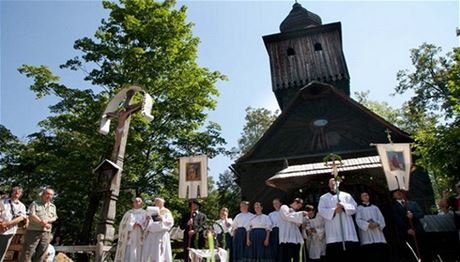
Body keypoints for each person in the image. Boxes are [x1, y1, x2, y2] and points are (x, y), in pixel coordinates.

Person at [318, 178, 359, 262]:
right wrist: (334, 210)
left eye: (335, 182)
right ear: (328, 185)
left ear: (339, 184)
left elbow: (354, 207)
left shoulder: (346, 195)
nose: (333, 184)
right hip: (333, 231)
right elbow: (321, 210)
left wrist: (344, 206)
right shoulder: (324, 197)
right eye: (331, 183)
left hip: (347, 231)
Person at [20, 187, 58, 262]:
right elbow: (32, 215)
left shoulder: (53, 206)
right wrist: (42, 222)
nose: (49, 196)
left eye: (51, 195)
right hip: (33, 231)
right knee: (28, 252)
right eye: (47, 194)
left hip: (46, 233)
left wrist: (47, 220)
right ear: (43, 194)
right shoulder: (35, 203)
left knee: (41, 253)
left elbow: (55, 217)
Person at [391, 189, 426, 262]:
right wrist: (407, 230)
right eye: (396, 192)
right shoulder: (394, 207)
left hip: (418, 231)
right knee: (411, 254)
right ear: (393, 196)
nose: (398, 193)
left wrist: (413, 215)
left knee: (423, 251)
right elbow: (397, 220)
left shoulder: (413, 203)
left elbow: (421, 214)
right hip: (406, 234)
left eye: (400, 191)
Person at [355, 192, 388, 262]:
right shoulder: (359, 208)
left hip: (377, 233)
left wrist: (377, 224)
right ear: (361, 198)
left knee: (380, 253)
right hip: (367, 234)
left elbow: (381, 218)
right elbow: (358, 220)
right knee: (371, 255)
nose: (365, 197)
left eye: (366, 195)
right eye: (363, 196)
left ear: (369, 196)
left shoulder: (375, 207)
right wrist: (367, 225)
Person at [114, 197, 147, 262]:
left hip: (141, 236)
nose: (137, 202)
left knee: (140, 252)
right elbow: (122, 225)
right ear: (133, 203)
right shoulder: (128, 213)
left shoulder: (145, 213)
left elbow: (149, 224)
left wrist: (141, 225)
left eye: (139, 201)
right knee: (129, 252)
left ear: (141, 203)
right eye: (135, 201)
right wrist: (132, 226)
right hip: (130, 236)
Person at [0, 186, 27, 261]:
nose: (17, 192)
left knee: (1, 252)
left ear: (21, 194)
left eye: (19, 191)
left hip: (9, 231)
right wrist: (1, 224)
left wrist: (7, 224)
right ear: (11, 192)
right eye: (15, 191)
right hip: (0, 227)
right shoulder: (2, 202)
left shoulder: (22, 206)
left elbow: (21, 217)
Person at [142, 197, 174, 262]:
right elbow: (144, 224)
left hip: (161, 235)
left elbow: (170, 222)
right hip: (151, 235)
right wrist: (147, 219)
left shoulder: (166, 211)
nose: (157, 203)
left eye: (159, 202)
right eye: (156, 202)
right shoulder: (150, 210)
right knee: (149, 252)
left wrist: (162, 218)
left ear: (163, 203)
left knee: (160, 253)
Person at [278, 198, 306, 262]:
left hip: (295, 239)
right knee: (286, 258)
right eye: (298, 206)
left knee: (296, 257)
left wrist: (297, 215)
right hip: (286, 238)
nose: (298, 208)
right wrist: (300, 214)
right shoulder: (284, 207)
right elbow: (286, 216)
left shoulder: (296, 212)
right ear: (295, 202)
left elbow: (298, 224)